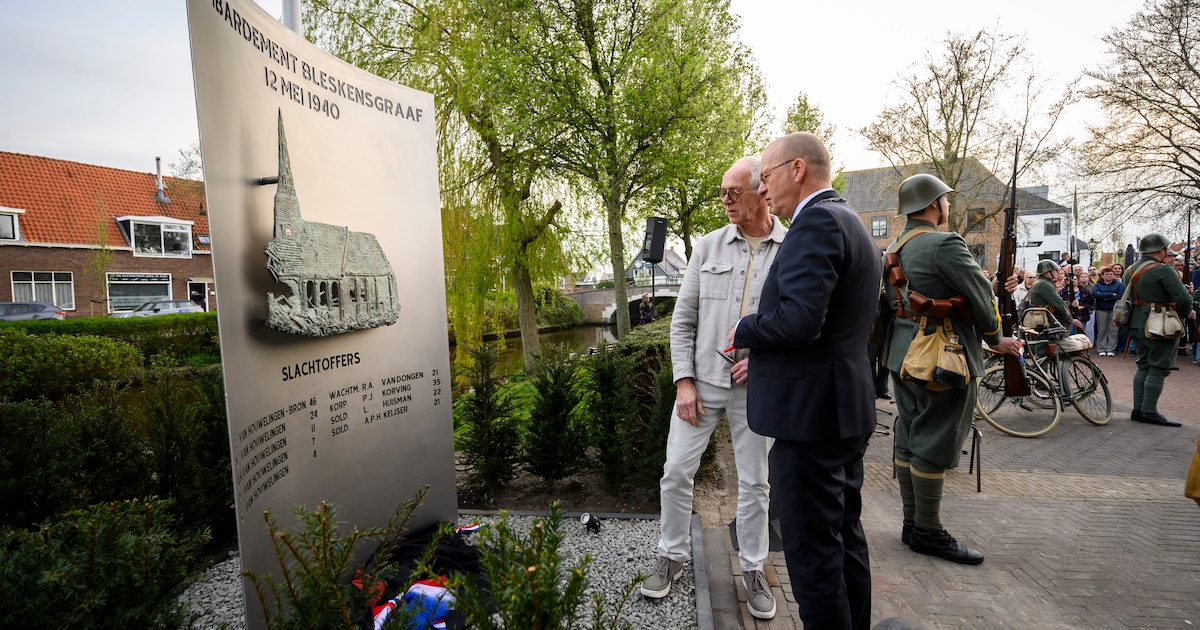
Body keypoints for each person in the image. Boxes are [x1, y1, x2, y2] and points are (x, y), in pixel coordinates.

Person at [729, 132, 878, 629]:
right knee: (844, 538)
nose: (762, 190)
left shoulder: (814, 225)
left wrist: (746, 329)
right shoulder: (851, 222)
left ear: (797, 169)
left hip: (811, 422)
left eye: (765, 177)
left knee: (813, 557)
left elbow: (799, 323)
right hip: (843, 411)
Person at [640, 156, 787, 621]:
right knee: (675, 470)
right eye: (721, 193)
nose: (724, 201)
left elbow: (799, 325)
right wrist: (683, 382)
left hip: (756, 390)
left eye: (732, 193)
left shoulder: (791, 249)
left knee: (756, 482)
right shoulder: (706, 248)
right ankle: (672, 555)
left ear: (761, 192)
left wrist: (764, 361)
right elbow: (682, 322)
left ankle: (754, 568)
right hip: (702, 383)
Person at [883, 174, 1020, 568]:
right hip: (942, 356)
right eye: (945, 201)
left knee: (910, 436)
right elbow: (977, 295)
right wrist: (996, 337)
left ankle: (912, 524)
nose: (948, 207)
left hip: (903, 355)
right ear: (933, 204)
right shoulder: (945, 242)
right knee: (936, 439)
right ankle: (928, 531)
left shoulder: (895, 246)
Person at [1124, 233, 1195, 427]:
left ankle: (1138, 410)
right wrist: (1188, 313)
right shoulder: (1163, 270)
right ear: (1161, 249)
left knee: (1144, 364)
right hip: (1160, 323)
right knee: (1158, 366)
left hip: (1137, 322)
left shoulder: (1130, 270)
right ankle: (1149, 411)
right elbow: (1183, 299)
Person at [1028, 260, 1083, 333]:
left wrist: (1070, 303)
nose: (1058, 273)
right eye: (1055, 270)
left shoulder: (1041, 282)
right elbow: (1059, 304)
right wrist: (1070, 319)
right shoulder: (1044, 284)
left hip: (1043, 319)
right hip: (1046, 322)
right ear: (1047, 272)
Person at [1092, 266, 1124, 356]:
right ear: (1102, 275)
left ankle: (1111, 349)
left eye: (1111, 274)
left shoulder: (1119, 285)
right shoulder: (1097, 285)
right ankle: (1101, 348)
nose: (1109, 276)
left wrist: (1105, 298)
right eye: (1107, 274)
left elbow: (1120, 296)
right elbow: (1095, 294)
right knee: (1102, 329)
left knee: (1113, 329)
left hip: (1115, 309)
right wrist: (1111, 294)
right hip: (1101, 309)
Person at [1059, 265, 1094, 336]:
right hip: (1068, 315)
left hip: (1081, 315)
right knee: (1069, 334)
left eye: (1075, 279)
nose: (1073, 281)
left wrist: (1082, 307)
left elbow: (1090, 301)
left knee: (1080, 334)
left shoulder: (1084, 291)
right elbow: (1060, 302)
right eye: (1071, 280)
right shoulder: (1063, 292)